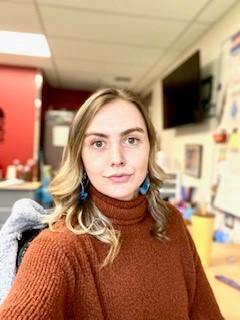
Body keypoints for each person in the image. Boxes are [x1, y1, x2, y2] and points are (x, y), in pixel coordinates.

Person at [0, 88, 224, 319]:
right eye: (98, 143)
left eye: (131, 139)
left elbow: (206, 312)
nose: (117, 158)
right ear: (80, 156)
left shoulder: (171, 219)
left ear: (150, 147)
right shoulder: (57, 247)